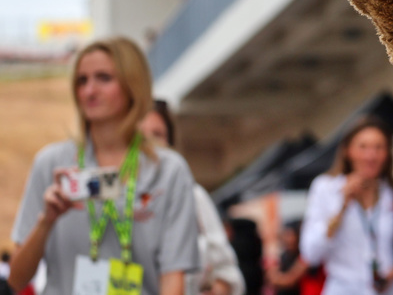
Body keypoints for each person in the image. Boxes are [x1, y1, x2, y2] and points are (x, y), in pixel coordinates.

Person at [10, 37, 201, 295]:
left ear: (133, 84)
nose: (90, 91)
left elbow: (173, 278)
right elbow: (17, 278)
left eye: (104, 78)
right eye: (82, 80)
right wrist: (47, 221)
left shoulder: (167, 170)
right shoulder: (53, 164)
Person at [299, 118, 393, 295]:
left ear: (388, 153)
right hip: (344, 288)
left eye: (378, 147)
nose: (371, 156)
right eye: (363, 147)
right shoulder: (326, 188)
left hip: (390, 290)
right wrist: (342, 207)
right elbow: (310, 252)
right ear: (347, 151)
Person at [138, 101, 245, 295]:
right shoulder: (110, 203)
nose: (149, 144)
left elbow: (229, 275)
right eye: (140, 136)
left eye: (157, 135)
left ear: (170, 142)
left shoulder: (193, 197)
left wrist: (215, 290)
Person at [265, 222, 307, 295]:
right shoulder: (284, 256)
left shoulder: (304, 257)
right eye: (286, 235)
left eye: (291, 235)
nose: (289, 239)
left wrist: (277, 278)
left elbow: (290, 280)